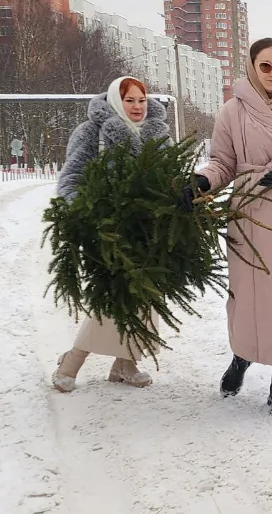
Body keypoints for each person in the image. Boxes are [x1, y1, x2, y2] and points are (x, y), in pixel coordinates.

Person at [180, 37, 272, 418]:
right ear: (251, 67)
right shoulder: (232, 112)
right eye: (266, 66)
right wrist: (202, 182)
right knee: (250, 297)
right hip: (252, 214)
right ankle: (241, 359)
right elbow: (222, 163)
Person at [52, 76, 171, 392]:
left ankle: (125, 363)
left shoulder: (158, 133)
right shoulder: (91, 132)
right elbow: (72, 177)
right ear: (117, 101)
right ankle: (71, 361)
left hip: (149, 229)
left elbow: (171, 175)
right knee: (111, 297)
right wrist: (85, 210)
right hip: (108, 229)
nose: (137, 106)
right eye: (129, 100)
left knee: (144, 298)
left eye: (141, 100)